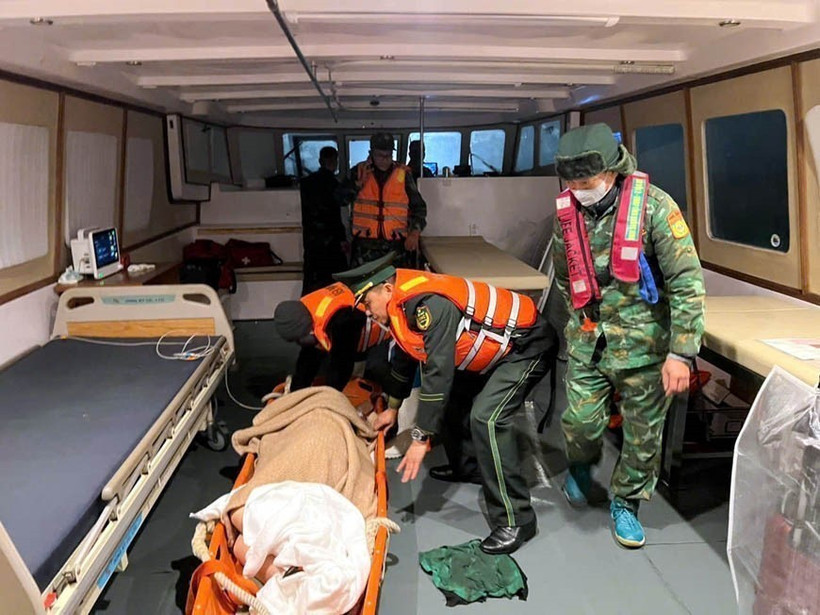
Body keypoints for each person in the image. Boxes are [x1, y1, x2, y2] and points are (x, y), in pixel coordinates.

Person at [333, 253, 556, 555]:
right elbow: (405, 354)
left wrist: (420, 437)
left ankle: (518, 520)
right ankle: (467, 467)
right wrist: (393, 407)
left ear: (386, 289)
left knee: (487, 418)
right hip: (495, 353)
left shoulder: (428, 305)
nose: (368, 313)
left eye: (367, 303)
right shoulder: (400, 306)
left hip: (526, 346)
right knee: (453, 401)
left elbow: (438, 372)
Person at [551, 123, 706, 548]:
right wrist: (579, 318)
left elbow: (687, 281)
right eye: (574, 182)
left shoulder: (655, 208)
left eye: (588, 181)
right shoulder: (567, 213)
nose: (581, 189)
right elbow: (566, 277)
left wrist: (682, 352)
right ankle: (580, 468)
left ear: (612, 171)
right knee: (580, 422)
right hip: (590, 340)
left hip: (645, 347)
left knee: (643, 436)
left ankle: (627, 502)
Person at [274, 281, 415, 415]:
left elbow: (341, 367)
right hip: (353, 332)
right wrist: (295, 393)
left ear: (309, 331)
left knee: (380, 373)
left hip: (390, 331)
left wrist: (327, 404)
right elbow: (308, 357)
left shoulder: (341, 321)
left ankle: (396, 419)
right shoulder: (308, 312)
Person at [338, 133, 427, 268]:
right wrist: (357, 185)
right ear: (371, 153)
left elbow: (419, 208)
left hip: (395, 249)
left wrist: (414, 233)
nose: (385, 160)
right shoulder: (358, 171)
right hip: (364, 249)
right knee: (364, 288)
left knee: (395, 288)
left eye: (388, 155)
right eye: (380, 155)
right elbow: (340, 199)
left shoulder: (403, 174)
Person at [299, 146, 348, 295]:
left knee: (311, 280)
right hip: (330, 241)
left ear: (320, 161)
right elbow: (334, 215)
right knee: (335, 281)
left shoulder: (306, 183)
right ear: (335, 161)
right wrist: (342, 239)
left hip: (311, 241)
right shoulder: (333, 184)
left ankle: (308, 308)